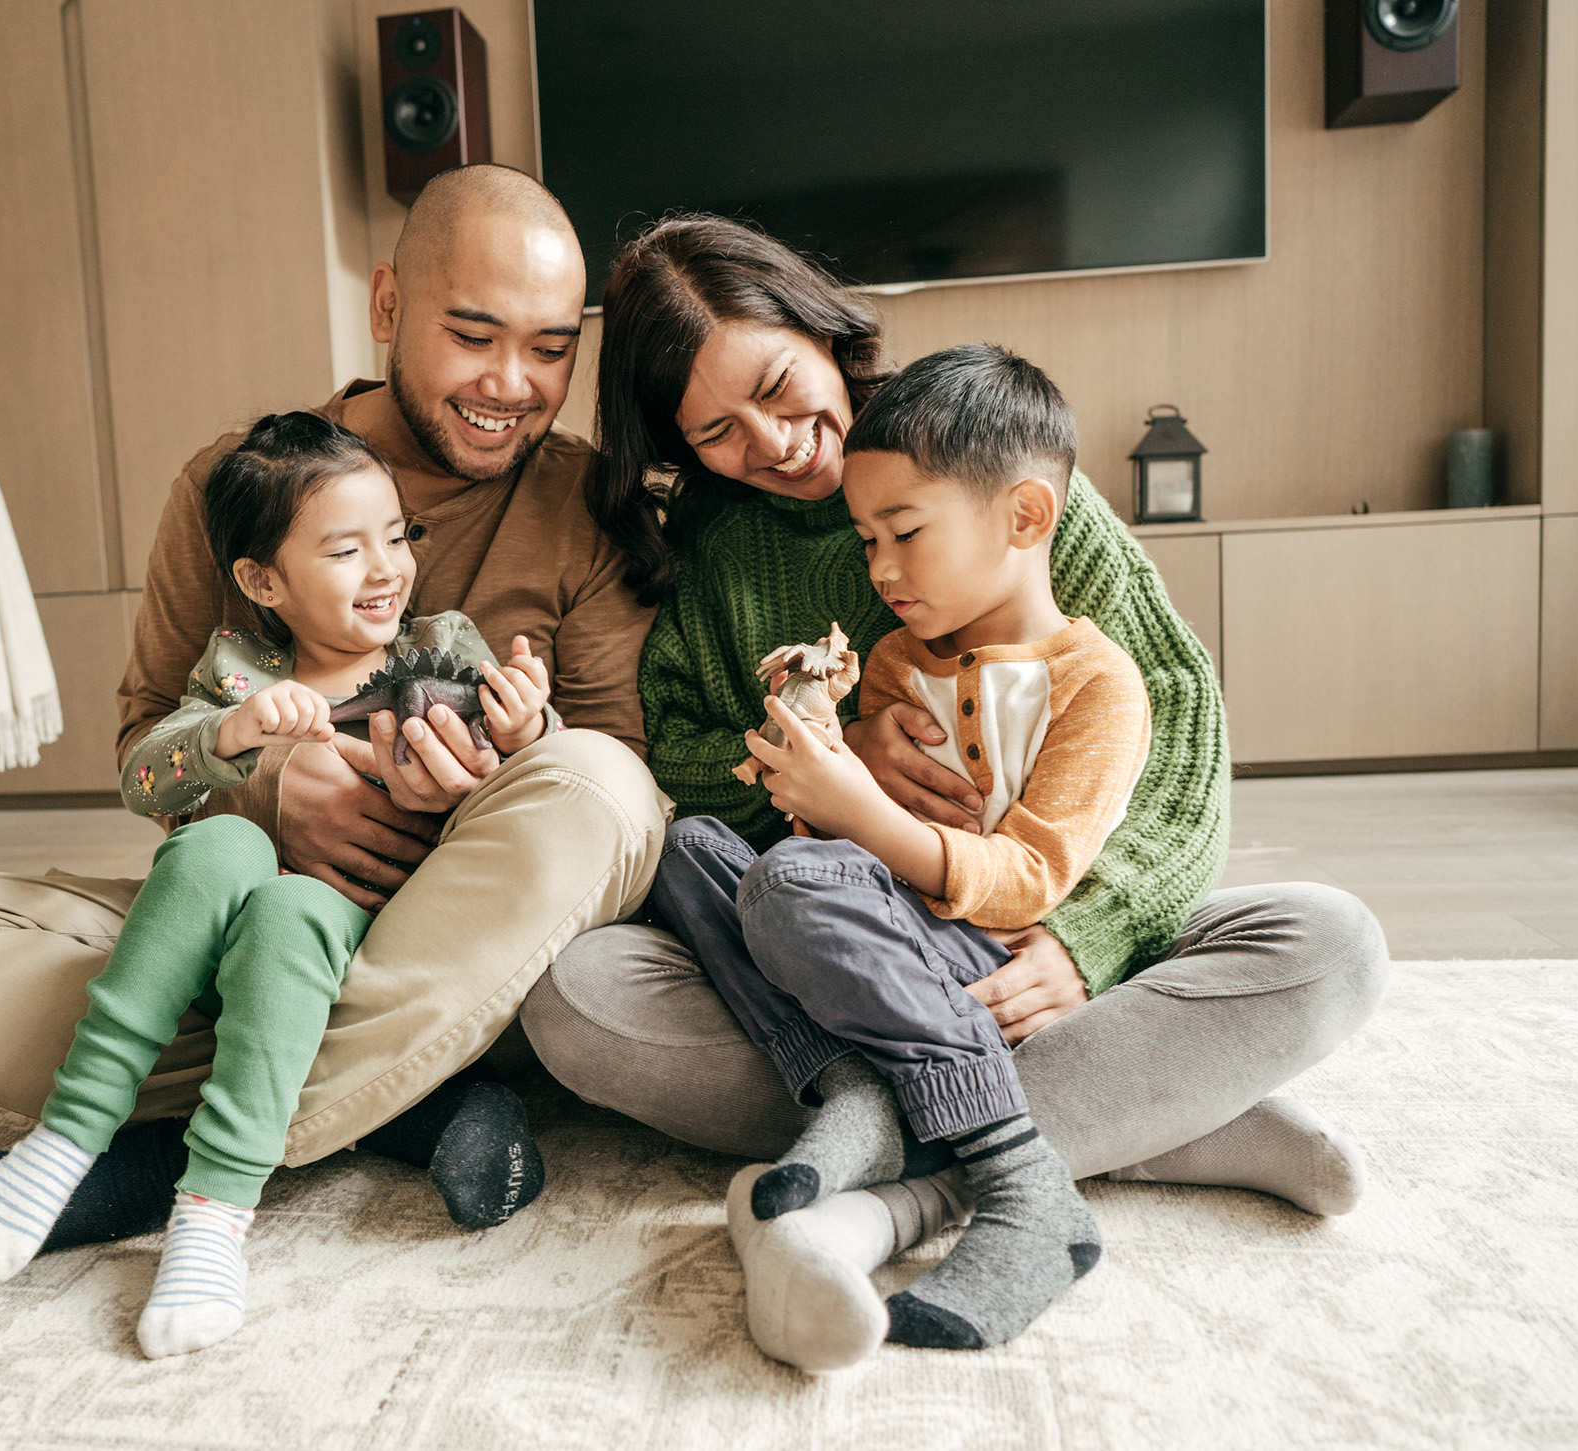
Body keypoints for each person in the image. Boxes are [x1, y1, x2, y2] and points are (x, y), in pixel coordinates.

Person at [518, 215, 1390, 1369]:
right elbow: (671, 760)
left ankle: (884, 1162)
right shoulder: (714, 560)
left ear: (822, 329)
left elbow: (1173, 712)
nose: (777, 443)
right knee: (579, 992)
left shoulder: (992, 470)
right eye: (718, 432)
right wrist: (818, 765)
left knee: (1325, 939)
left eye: (781, 387)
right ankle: (1169, 1120)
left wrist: (1088, 935)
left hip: (1022, 930)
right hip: (840, 935)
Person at [0, 165, 669, 1291]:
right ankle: (393, 1100)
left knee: (600, 786)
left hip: (461, 932)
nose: (512, 384)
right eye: (473, 334)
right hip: (254, 912)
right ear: (386, 306)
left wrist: (478, 776)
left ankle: (152, 1161)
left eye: (550, 348)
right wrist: (267, 783)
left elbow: (617, 783)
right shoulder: (238, 486)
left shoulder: (587, 503)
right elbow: (144, 735)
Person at [0, 412, 557, 1358]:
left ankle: (212, 1207)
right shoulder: (238, 671)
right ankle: (70, 1136)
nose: (387, 568)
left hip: (360, 944)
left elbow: (531, 786)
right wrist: (232, 740)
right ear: (262, 581)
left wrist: (524, 726)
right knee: (214, 852)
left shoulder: (441, 644)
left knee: (288, 907)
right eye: (346, 549)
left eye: (396, 537)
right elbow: (143, 778)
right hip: (202, 938)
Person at [658, 343, 1149, 1364]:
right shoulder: (887, 661)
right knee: (689, 848)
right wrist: (816, 771)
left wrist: (859, 819)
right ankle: (855, 1090)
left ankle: (1019, 1178)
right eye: (865, 537)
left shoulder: (1096, 685)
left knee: (793, 881)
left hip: (988, 964)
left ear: (1023, 518)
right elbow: (838, 869)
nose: (878, 568)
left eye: (902, 532)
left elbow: (1025, 880)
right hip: (881, 949)